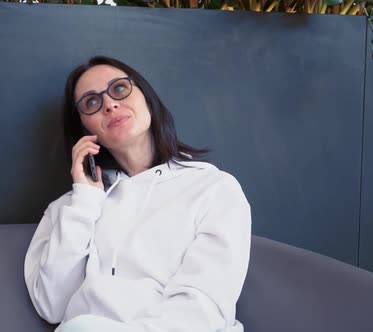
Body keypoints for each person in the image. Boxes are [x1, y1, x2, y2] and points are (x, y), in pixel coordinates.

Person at [24, 56, 251, 332]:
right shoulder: (68, 209)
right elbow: (52, 305)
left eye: (119, 89)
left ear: (147, 99)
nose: (109, 104)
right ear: (85, 128)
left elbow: (203, 307)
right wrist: (85, 200)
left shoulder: (213, 188)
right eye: (91, 102)